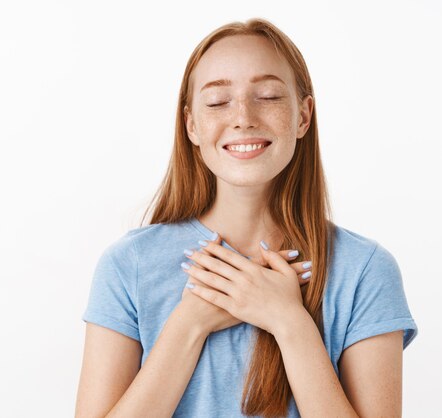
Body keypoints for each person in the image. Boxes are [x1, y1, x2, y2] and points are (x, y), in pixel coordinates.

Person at [75, 18, 418, 418]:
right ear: (191, 125)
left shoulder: (365, 270)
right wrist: (189, 324)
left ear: (304, 117)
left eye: (269, 96)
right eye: (218, 101)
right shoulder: (128, 264)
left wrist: (290, 323)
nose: (243, 117)